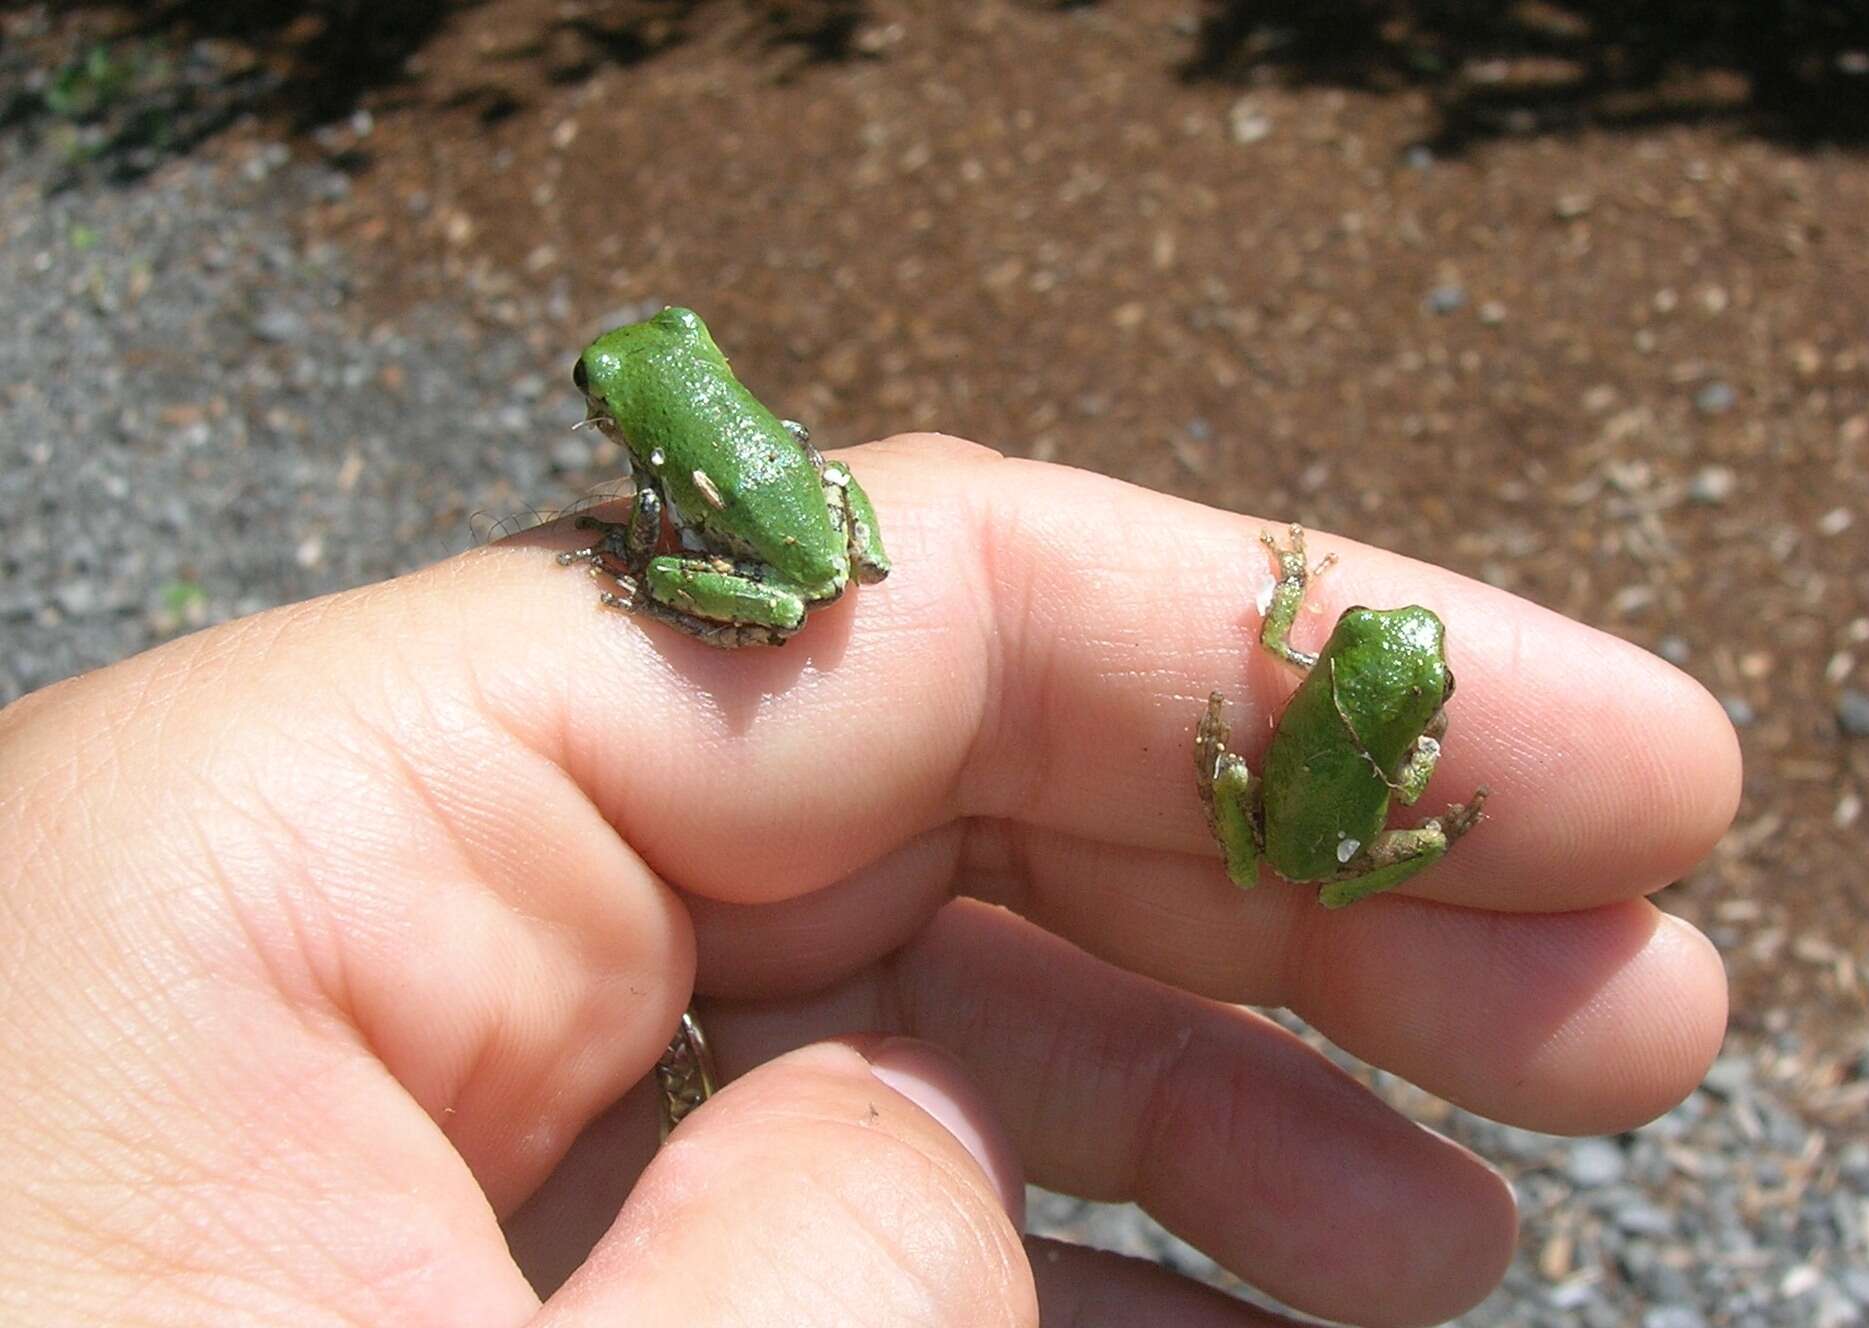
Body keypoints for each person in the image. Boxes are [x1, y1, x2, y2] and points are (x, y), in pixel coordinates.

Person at [0, 437, 1736, 1327]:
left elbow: (1286, 669)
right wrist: (1404, 810)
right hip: (1306, 832)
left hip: (1284, 806)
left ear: (1370, 678)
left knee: (1295, 831)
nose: (1360, 641)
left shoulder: (1316, 681)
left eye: (1382, 659)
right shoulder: (1364, 713)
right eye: (1373, 648)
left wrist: (1296, 709)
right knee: (1322, 859)